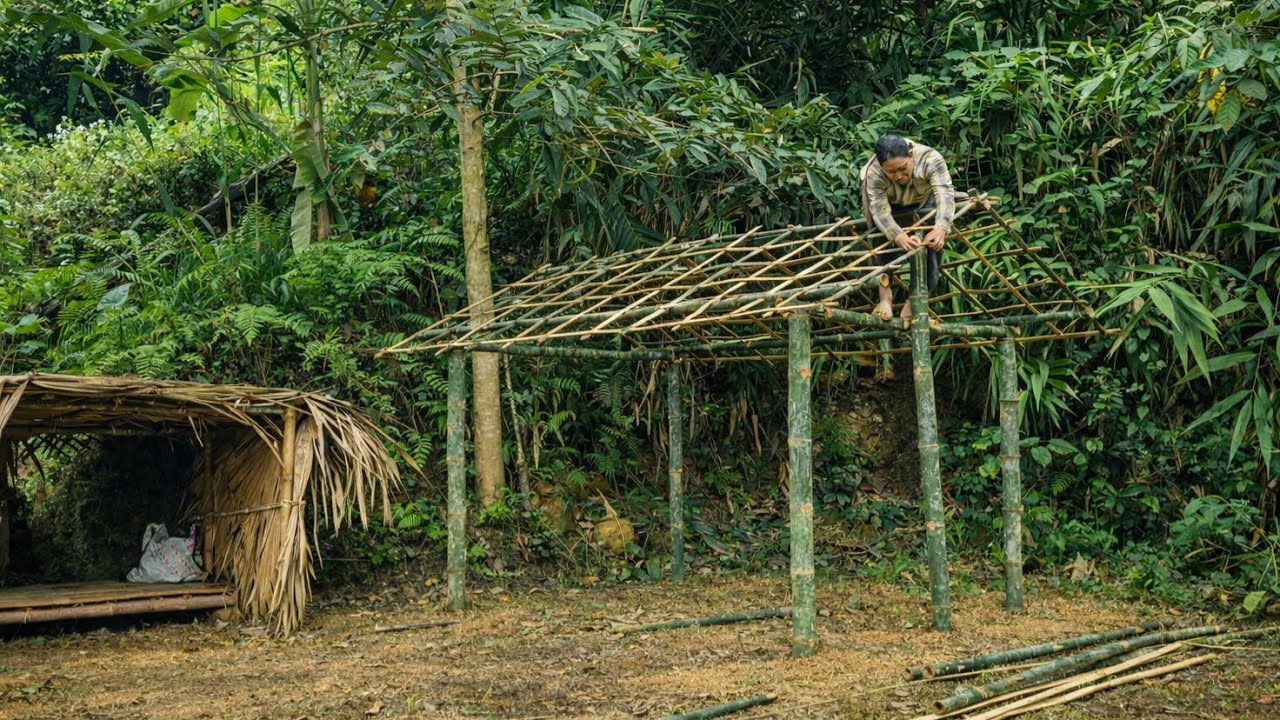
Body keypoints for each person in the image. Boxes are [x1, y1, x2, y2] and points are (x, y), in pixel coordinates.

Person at [860, 134, 956, 322]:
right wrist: (898, 235)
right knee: (881, 244)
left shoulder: (930, 159)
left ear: (910, 154)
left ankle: (913, 303)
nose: (899, 176)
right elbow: (880, 211)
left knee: (932, 250)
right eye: (891, 172)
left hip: (924, 202)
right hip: (892, 206)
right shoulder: (874, 173)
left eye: (903, 169)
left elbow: (944, 193)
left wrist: (941, 228)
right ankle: (885, 298)